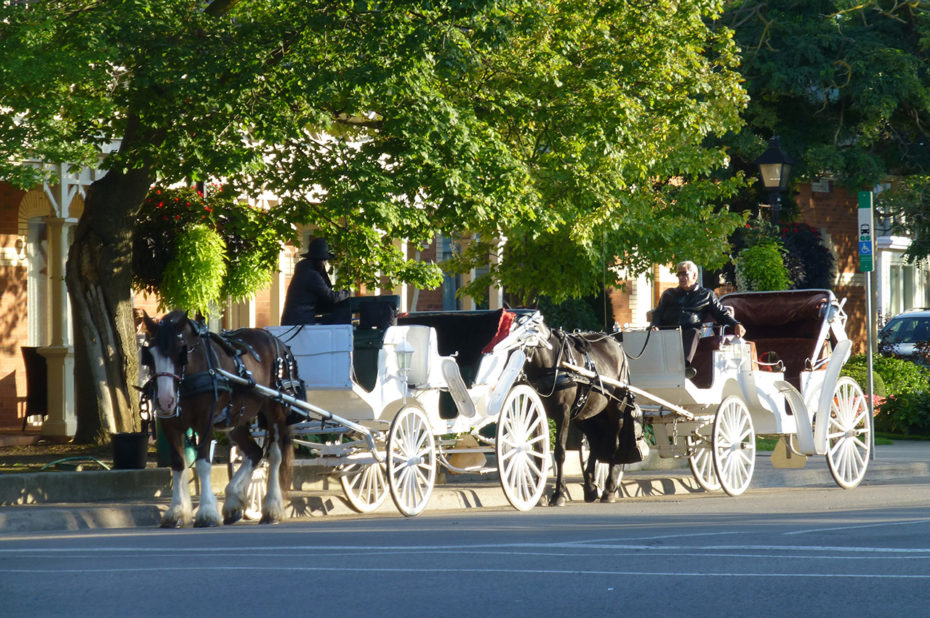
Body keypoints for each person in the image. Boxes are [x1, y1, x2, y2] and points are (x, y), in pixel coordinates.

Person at [650, 260, 746, 379]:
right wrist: (654, 325)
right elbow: (658, 313)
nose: (681, 277)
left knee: (694, 331)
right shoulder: (669, 294)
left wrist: (736, 324)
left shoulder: (706, 294)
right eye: (679, 274)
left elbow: (721, 313)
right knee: (646, 333)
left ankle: (684, 367)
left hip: (688, 331)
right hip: (667, 330)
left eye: (684, 273)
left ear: (694, 275)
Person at [280, 237, 351, 325]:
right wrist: (347, 293)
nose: (325, 263)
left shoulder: (303, 270)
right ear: (319, 260)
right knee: (340, 319)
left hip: (294, 321)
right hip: (300, 322)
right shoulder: (311, 275)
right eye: (324, 260)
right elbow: (331, 297)